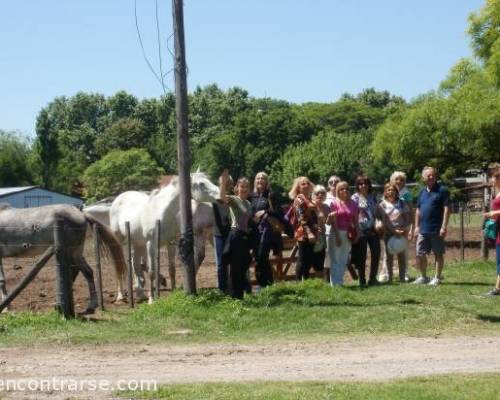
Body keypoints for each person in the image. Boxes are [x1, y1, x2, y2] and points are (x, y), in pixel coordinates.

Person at [411, 166, 450, 285]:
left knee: (438, 253)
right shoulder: (422, 192)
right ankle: (423, 277)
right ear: (423, 178)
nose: (431, 177)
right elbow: (417, 210)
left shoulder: (442, 190)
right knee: (420, 253)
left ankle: (437, 278)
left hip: (436, 229)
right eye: (428, 175)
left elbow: (447, 209)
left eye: (433, 175)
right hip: (423, 229)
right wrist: (417, 226)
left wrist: (444, 226)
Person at [220, 171, 254, 299]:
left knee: (243, 266)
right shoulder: (235, 200)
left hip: (245, 238)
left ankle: (239, 294)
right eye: (242, 186)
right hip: (236, 236)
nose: (244, 189)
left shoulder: (248, 203)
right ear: (237, 188)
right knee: (235, 267)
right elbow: (223, 198)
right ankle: (234, 297)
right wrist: (223, 184)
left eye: (246, 187)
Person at [248, 171, 284, 289]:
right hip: (254, 233)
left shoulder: (271, 195)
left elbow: (279, 211)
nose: (260, 181)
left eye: (263, 179)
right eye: (258, 178)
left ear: (266, 181)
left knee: (261, 257)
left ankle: (264, 285)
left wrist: (264, 212)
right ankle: (267, 285)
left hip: (267, 233)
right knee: (259, 259)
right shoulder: (250, 196)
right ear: (255, 181)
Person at [379, 171, 413, 282]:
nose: (399, 181)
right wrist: (393, 230)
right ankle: (387, 276)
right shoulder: (382, 204)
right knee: (388, 254)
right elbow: (382, 219)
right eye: (396, 179)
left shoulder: (404, 198)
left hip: (402, 231)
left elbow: (409, 214)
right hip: (388, 232)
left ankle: (403, 276)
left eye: (401, 179)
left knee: (402, 254)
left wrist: (405, 228)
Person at [350, 175, 381, 287]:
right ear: (357, 185)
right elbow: (353, 215)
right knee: (361, 256)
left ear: (369, 185)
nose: (363, 185)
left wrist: (378, 224)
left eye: (365, 183)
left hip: (373, 230)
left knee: (376, 253)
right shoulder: (354, 198)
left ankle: (373, 279)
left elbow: (377, 212)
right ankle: (362, 280)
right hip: (361, 231)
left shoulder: (373, 197)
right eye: (360, 183)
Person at [288, 176, 318, 280]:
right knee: (302, 260)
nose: (306, 185)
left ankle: (305, 282)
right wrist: (309, 233)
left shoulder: (310, 199)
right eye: (303, 184)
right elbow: (302, 219)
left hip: (312, 233)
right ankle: (298, 283)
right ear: (298, 188)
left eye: (307, 183)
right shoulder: (299, 200)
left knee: (308, 260)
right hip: (303, 233)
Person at [329, 181, 359, 285]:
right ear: (337, 191)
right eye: (341, 189)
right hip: (336, 232)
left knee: (344, 258)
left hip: (348, 233)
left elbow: (355, 221)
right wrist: (337, 235)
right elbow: (333, 221)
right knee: (335, 258)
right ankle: (334, 283)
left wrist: (357, 233)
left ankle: (340, 281)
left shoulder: (354, 203)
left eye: (346, 188)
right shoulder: (334, 203)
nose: (344, 190)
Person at [212, 175, 233, 293]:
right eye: (223, 183)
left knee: (233, 262)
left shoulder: (234, 198)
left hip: (232, 234)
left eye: (227, 183)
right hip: (219, 234)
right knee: (221, 264)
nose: (225, 185)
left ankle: (233, 287)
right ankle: (222, 289)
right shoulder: (215, 198)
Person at [484, 166, 500, 296]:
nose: (491, 180)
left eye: (493, 177)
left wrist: (494, 212)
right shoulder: (497, 192)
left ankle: (497, 289)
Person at [312, 185, 329, 277]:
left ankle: (320, 283)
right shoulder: (310, 205)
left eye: (322, 193)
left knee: (320, 260)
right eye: (317, 193)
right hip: (311, 236)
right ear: (313, 194)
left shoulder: (326, 207)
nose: (320, 195)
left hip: (321, 236)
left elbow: (327, 222)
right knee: (309, 260)